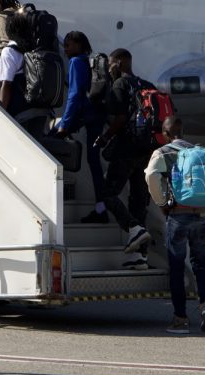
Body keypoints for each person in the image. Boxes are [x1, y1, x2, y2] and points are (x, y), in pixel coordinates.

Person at [144, 116, 205, 334]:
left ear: (165, 134)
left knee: (176, 267)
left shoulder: (163, 153)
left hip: (178, 216)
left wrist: (162, 204)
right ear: (182, 132)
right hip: (202, 215)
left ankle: (180, 318)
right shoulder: (200, 151)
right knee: (200, 263)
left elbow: (151, 177)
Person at [92, 48, 153, 260]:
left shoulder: (120, 85)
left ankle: (134, 228)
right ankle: (140, 258)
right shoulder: (147, 85)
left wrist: (105, 137)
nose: (109, 68)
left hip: (126, 149)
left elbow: (119, 118)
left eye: (110, 63)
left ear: (118, 62)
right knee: (138, 201)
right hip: (146, 152)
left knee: (107, 194)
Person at [52, 31, 109, 225]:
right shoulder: (89, 62)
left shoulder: (76, 62)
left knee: (50, 140)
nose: (66, 49)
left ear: (78, 45)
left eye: (68, 45)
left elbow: (75, 95)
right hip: (98, 115)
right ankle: (101, 208)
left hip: (84, 115)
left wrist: (65, 125)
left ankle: (54, 204)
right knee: (94, 163)